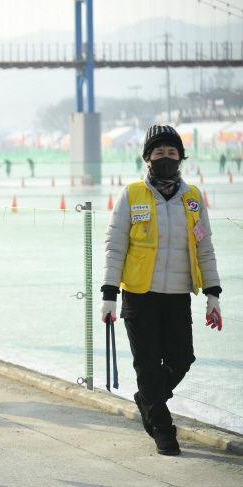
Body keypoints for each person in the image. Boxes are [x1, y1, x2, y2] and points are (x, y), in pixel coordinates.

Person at [100, 124, 222, 456]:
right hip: (139, 294)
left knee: (183, 358)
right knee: (148, 363)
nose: (165, 158)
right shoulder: (132, 193)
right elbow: (115, 247)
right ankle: (163, 427)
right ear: (147, 159)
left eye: (171, 152)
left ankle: (147, 399)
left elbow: (204, 247)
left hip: (179, 294)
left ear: (181, 157)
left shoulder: (193, 198)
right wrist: (109, 295)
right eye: (159, 152)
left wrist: (213, 294)